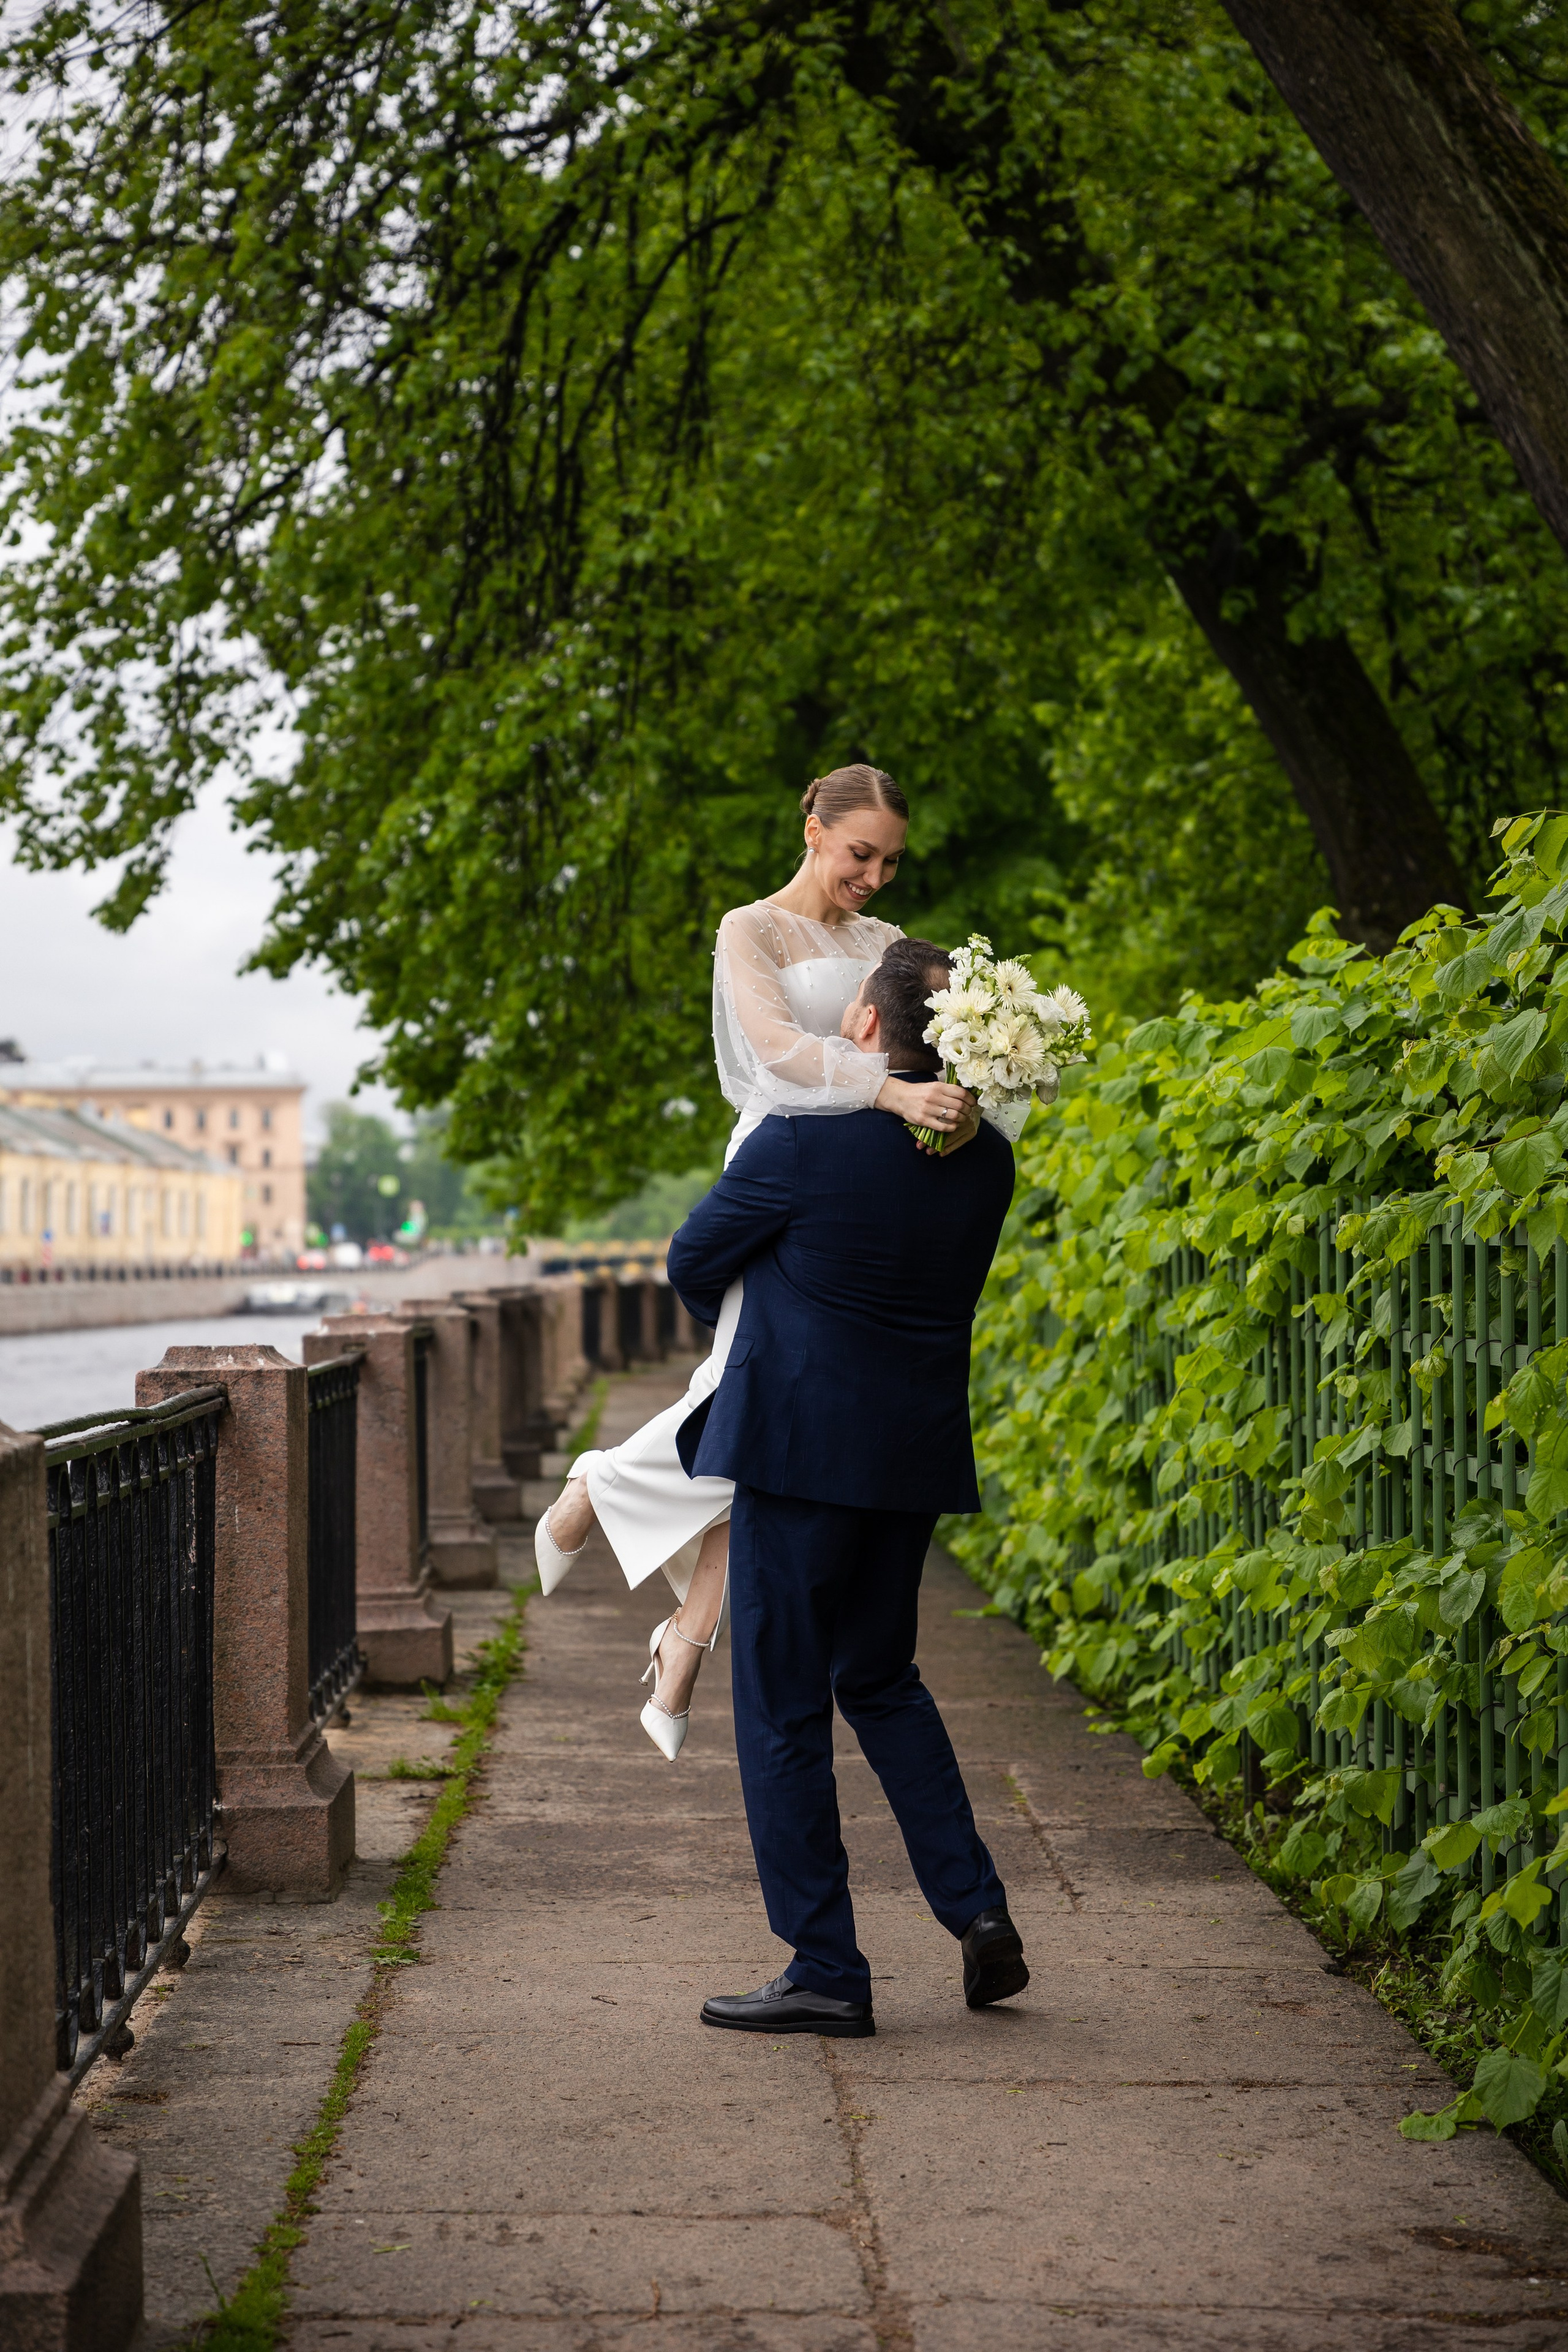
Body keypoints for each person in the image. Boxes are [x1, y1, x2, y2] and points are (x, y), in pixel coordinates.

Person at [534, 764, 979, 1759]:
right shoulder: (752, 929)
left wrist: (965, 1092)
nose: (875, 876)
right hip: (778, 1174)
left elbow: (930, 1042)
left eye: (893, 860)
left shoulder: (889, 948)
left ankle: (685, 1640)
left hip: (861, 1182)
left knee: (776, 1420)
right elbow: (773, 1050)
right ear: (813, 829)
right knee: (748, 1390)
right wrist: (893, 1095)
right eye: (862, 852)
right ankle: (599, 1489)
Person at [665, 938, 1029, 2034]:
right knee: (880, 1680)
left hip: (795, 1456)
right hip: (909, 1457)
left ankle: (826, 1968)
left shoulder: (794, 1148)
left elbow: (692, 1262)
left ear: (866, 1030)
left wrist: (774, 1288)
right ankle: (978, 1914)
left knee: (782, 1708)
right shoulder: (988, 1161)